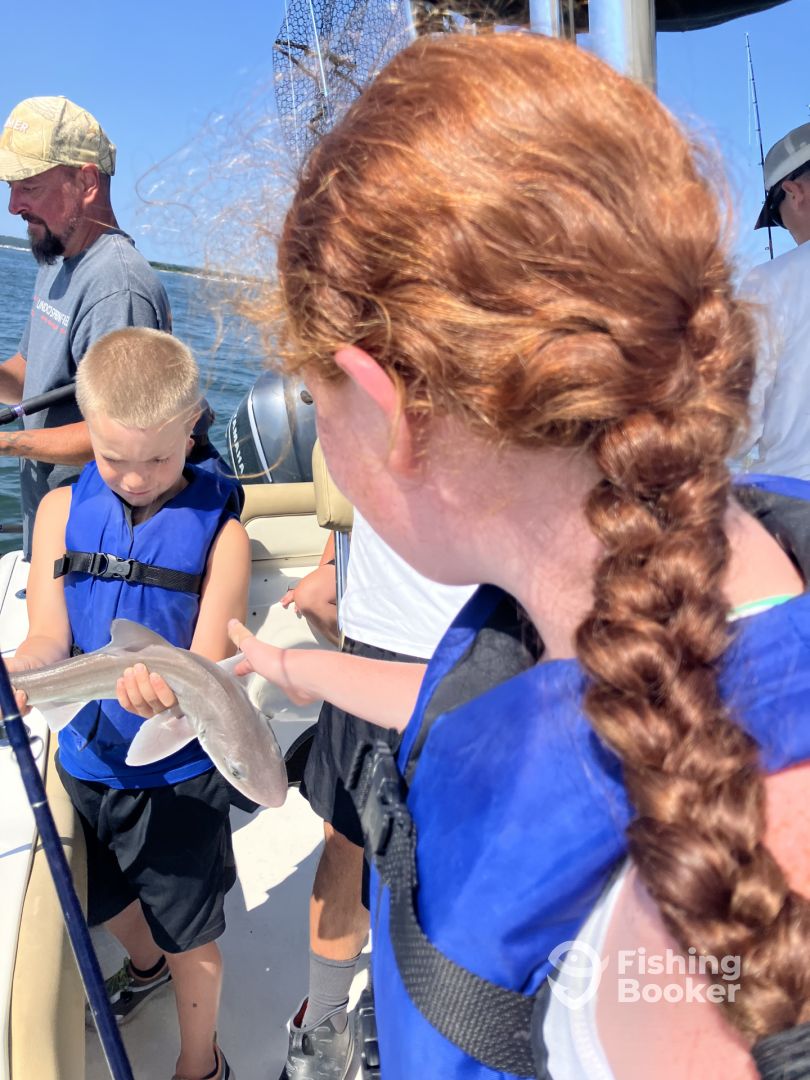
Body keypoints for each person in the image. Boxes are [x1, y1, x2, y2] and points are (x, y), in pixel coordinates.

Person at [228, 31, 810, 1080]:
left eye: (317, 402)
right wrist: (290, 668)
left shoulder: (691, 956)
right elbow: (464, 701)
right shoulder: (666, 580)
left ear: (386, 408)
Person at [8, 327, 249, 1080]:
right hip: (86, 762)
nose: (137, 478)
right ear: (87, 428)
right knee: (104, 896)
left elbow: (208, 670)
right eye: (114, 459)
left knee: (190, 939)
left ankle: (200, 1063)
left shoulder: (224, 537)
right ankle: (143, 969)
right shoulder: (58, 513)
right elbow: (47, 639)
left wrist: (166, 696)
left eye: (160, 459)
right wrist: (19, 673)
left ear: (193, 427)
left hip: (175, 780)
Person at [278, 511, 473, 1079]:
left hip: (486, 641)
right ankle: (327, 1015)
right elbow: (347, 510)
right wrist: (331, 567)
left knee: (464, 853)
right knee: (347, 841)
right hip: (377, 644)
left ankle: (418, 1011)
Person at [0, 96, 171, 557]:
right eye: (11, 187)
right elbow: (31, 376)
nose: (13, 206)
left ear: (87, 182)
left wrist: (8, 443)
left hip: (92, 554)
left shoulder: (118, 287)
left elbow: (125, 436)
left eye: (29, 186)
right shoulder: (56, 258)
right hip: (49, 536)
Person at [739, 122, 810, 479]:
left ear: (794, 192)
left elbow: (736, 424)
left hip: (797, 496)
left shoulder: (769, 283)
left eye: (777, 218)